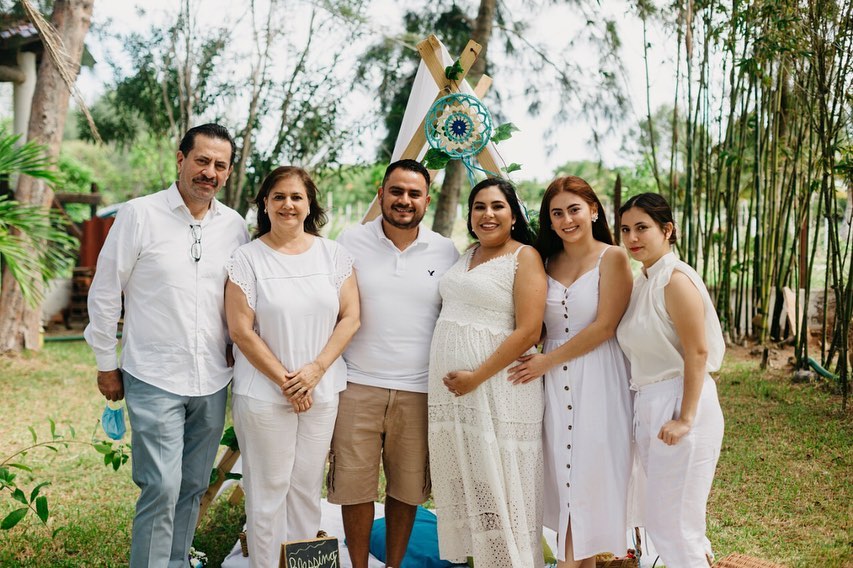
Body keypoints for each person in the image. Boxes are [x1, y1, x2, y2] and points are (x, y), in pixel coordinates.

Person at [84, 124, 249, 567]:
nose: (209, 173)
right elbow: (104, 292)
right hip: (154, 374)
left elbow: (244, 295)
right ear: (180, 159)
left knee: (193, 484)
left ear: (228, 172)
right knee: (161, 486)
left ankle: (175, 561)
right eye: (201, 161)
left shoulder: (234, 226)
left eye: (219, 165)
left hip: (213, 378)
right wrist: (105, 362)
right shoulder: (140, 214)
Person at [224, 166, 360, 567]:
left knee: (304, 487)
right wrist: (287, 382)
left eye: (296, 197)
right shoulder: (247, 258)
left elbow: (350, 317)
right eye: (279, 196)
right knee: (267, 492)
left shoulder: (333, 254)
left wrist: (315, 372)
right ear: (265, 203)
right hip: (264, 394)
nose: (288, 204)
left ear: (309, 204)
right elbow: (241, 330)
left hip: (322, 389)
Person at [327, 159, 459, 568]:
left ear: (426, 199)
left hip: (420, 389)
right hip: (356, 384)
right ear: (381, 193)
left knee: (406, 490)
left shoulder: (446, 249)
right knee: (354, 487)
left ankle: (395, 565)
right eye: (396, 191)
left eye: (413, 194)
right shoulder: (349, 242)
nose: (404, 201)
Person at [508, 176, 633, 567]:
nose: (566, 220)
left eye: (574, 209)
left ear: (594, 211)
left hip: (598, 376)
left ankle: (567, 562)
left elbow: (605, 326)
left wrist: (546, 360)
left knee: (588, 481)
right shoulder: (543, 261)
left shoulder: (613, 257)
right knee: (564, 484)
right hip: (552, 387)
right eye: (556, 213)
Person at [428, 178, 547, 568]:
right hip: (457, 394)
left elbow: (529, 330)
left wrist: (476, 377)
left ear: (514, 215)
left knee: (501, 488)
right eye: (479, 206)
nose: (488, 214)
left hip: (496, 388)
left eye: (497, 206)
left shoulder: (524, 256)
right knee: (471, 483)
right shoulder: (468, 254)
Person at [616, 193, 725, 567]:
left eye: (642, 228)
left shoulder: (675, 280)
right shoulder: (644, 280)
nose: (633, 237)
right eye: (626, 229)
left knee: (677, 524)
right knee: (660, 518)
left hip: (681, 399)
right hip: (650, 401)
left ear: (667, 229)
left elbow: (697, 352)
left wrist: (685, 418)